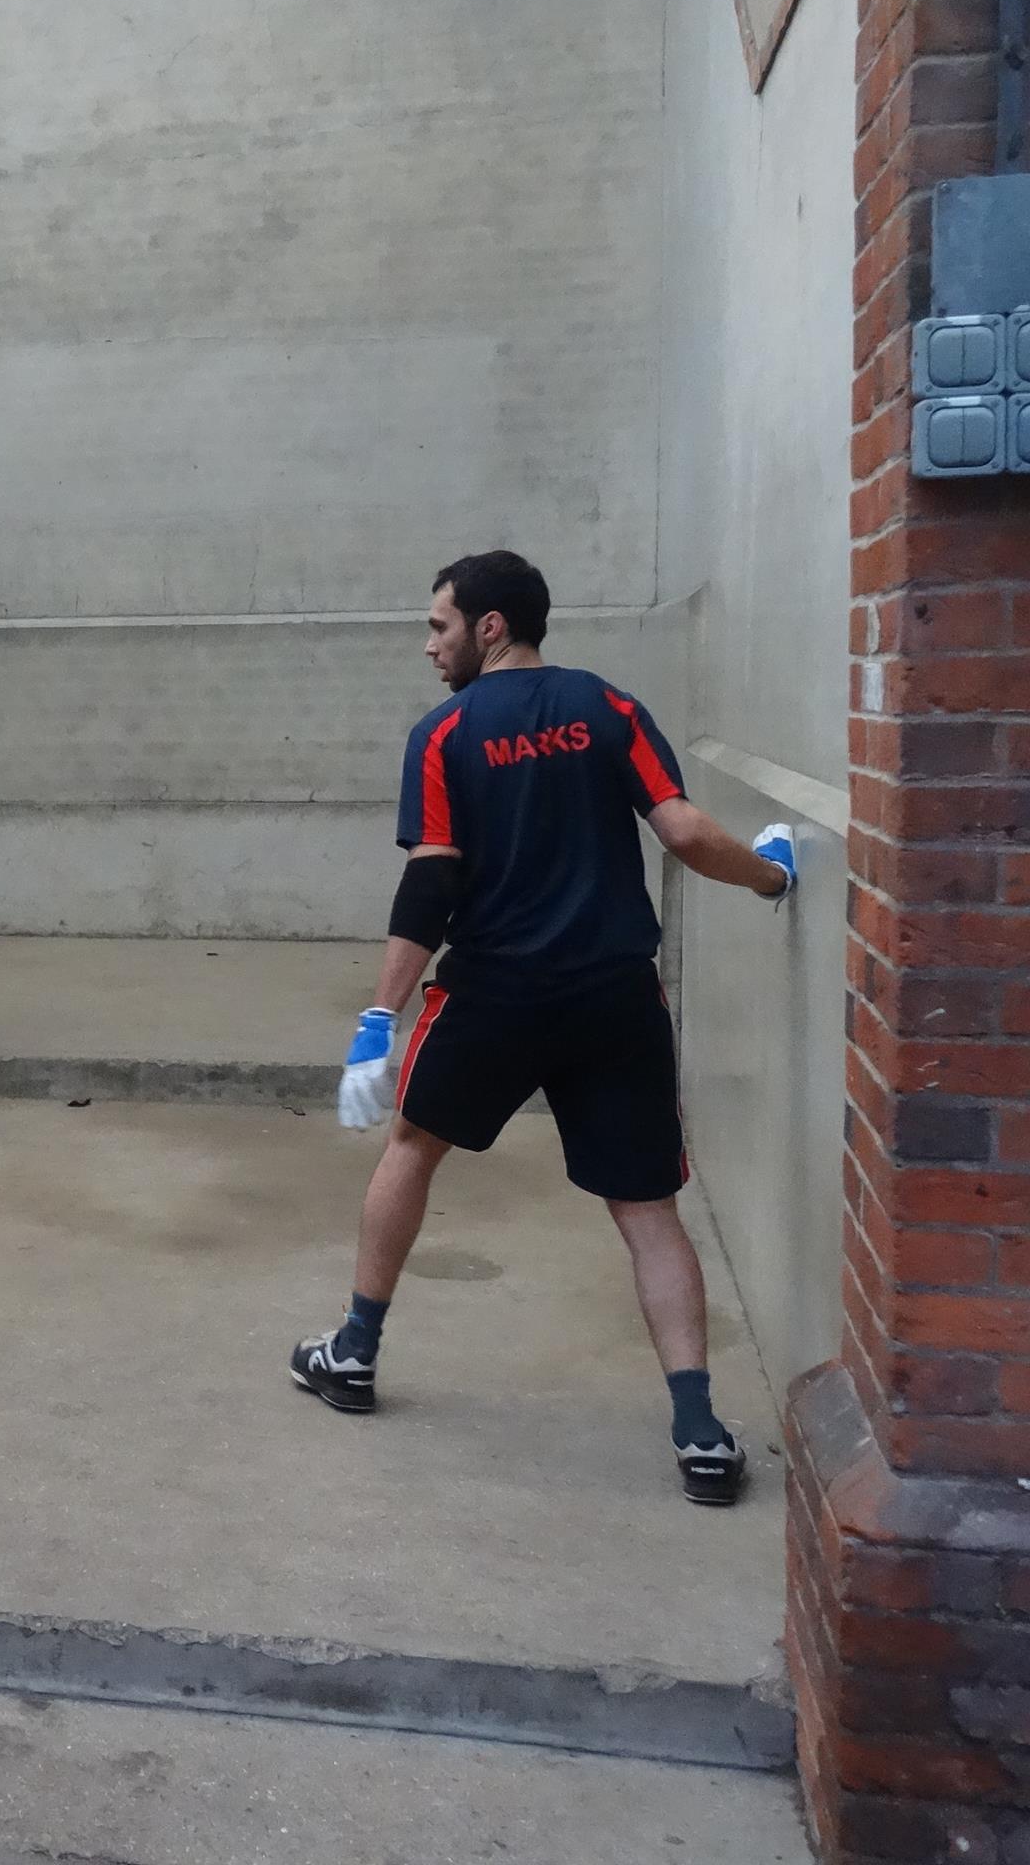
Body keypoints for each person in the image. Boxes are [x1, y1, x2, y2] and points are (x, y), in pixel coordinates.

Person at [289, 552, 795, 1506]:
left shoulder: (443, 734)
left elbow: (432, 880)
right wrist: (772, 877)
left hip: (491, 1000)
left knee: (411, 1146)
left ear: (489, 628)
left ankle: (352, 1355)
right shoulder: (609, 707)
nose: (429, 645)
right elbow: (684, 834)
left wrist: (377, 1019)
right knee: (648, 1212)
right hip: (614, 1000)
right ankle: (698, 1432)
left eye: (439, 626)